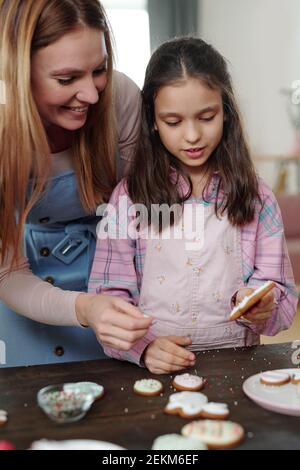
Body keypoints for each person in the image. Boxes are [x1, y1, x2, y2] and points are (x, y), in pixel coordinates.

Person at [89, 37, 298, 374]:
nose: (192, 136)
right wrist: (143, 349)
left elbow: (283, 296)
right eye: (173, 122)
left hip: (236, 368)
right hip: (153, 371)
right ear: (153, 121)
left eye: (206, 117)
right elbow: (108, 299)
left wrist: (264, 307)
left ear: (226, 112)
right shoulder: (128, 198)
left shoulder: (257, 196)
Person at [0, 0, 152, 368]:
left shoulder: (121, 99)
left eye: (98, 70)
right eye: (66, 79)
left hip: (115, 273)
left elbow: (144, 225)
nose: (92, 95)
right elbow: (8, 273)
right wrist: (86, 308)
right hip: (23, 287)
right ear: (18, 73)